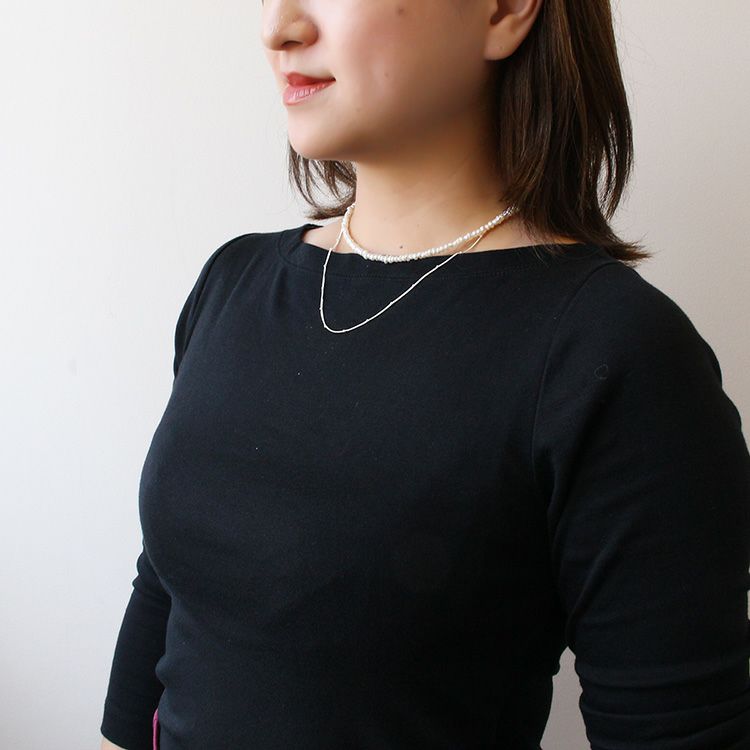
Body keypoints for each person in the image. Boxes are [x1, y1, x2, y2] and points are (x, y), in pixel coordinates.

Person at [100, 0, 750, 748]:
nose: (278, 27)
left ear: (504, 11)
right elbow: (168, 589)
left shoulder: (615, 351)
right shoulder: (234, 282)